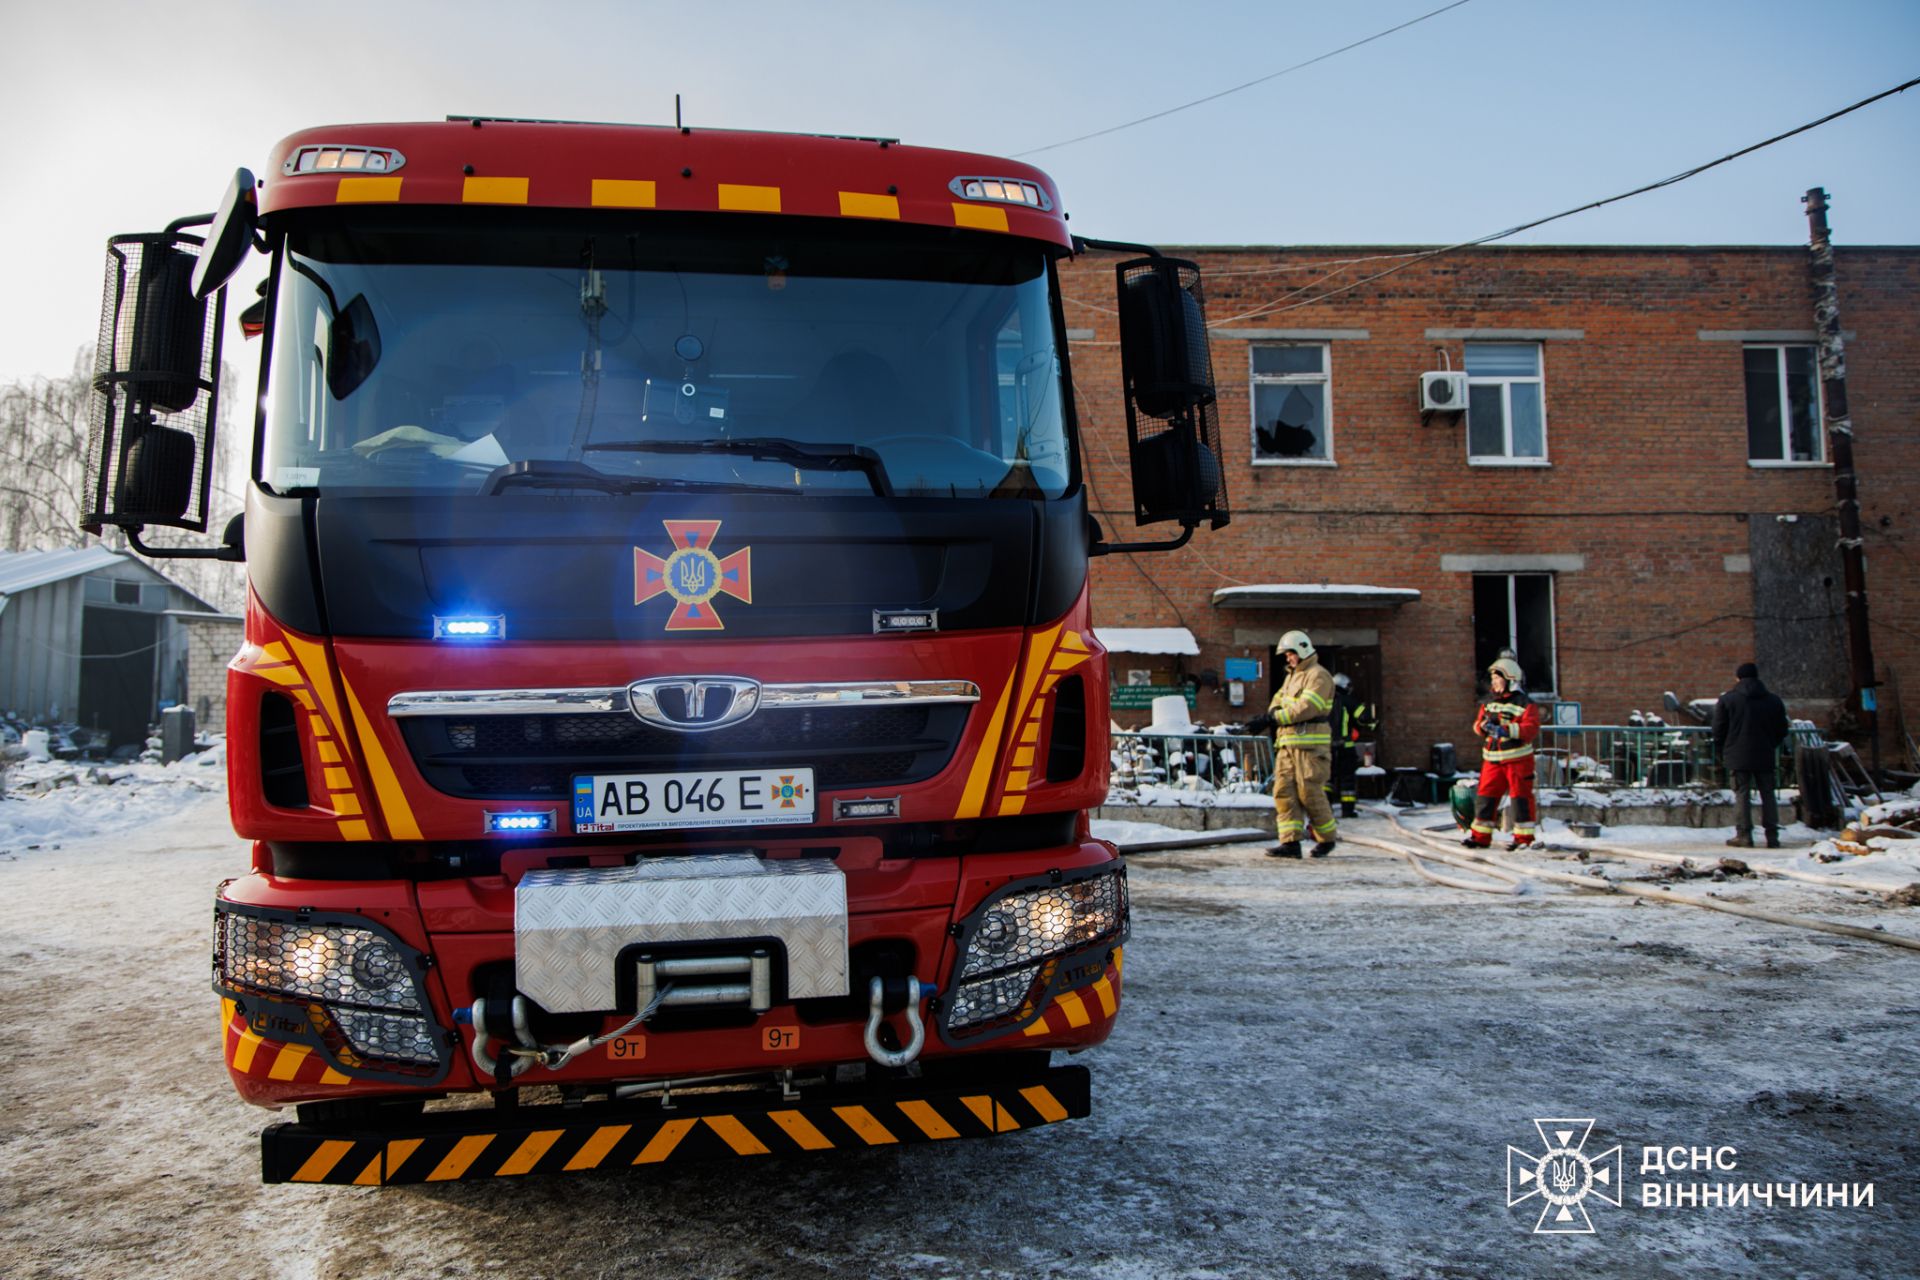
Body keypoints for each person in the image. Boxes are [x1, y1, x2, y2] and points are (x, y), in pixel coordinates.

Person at [1267, 630, 1339, 858]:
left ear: (1302, 650)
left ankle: (1327, 839)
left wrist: (1276, 717)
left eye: (1290, 654)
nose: (1288, 658)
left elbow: (1308, 707)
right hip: (1287, 745)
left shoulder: (1318, 676)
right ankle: (1290, 843)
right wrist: (1272, 714)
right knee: (1283, 792)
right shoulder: (1291, 677)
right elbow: (1277, 701)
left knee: (1309, 793)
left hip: (1310, 748)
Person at [1463, 657, 1542, 850]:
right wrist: (1482, 727)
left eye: (1497, 678)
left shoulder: (1526, 704)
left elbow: (1530, 729)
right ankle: (1480, 837)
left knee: (1520, 799)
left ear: (1510, 680)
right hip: (1492, 759)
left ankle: (1523, 839)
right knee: (1485, 797)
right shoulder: (1489, 703)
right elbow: (1477, 724)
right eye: (1493, 679)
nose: (1494, 683)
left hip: (1517, 759)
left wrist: (1506, 730)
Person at [1713, 661, 1791, 849]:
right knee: (1768, 794)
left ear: (1738, 678)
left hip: (1737, 754)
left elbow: (1718, 729)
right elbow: (1782, 729)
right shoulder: (1773, 700)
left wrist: (1725, 748)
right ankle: (1772, 835)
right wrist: (1771, 743)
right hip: (1765, 753)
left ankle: (1744, 835)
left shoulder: (1728, 700)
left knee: (1742, 794)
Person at [1326, 672, 1377, 819]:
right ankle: (1347, 811)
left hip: (1326, 748)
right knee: (1347, 780)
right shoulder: (1348, 701)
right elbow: (1364, 717)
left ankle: (1325, 811)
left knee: (1326, 780)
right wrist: (1372, 722)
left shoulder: (1323, 700)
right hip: (1345, 747)